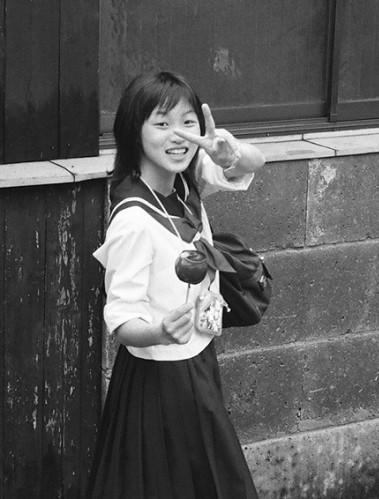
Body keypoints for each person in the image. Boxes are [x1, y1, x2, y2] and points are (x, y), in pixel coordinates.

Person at [86, 71, 265, 499]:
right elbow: (122, 320)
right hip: (158, 381)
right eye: (162, 123)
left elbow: (258, 162)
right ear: (134, 131)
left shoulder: (185, 182)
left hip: (198, 359)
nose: (178, 136)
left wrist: (228, 153)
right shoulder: (133, 219)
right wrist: (160, 331)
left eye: (187, 123)